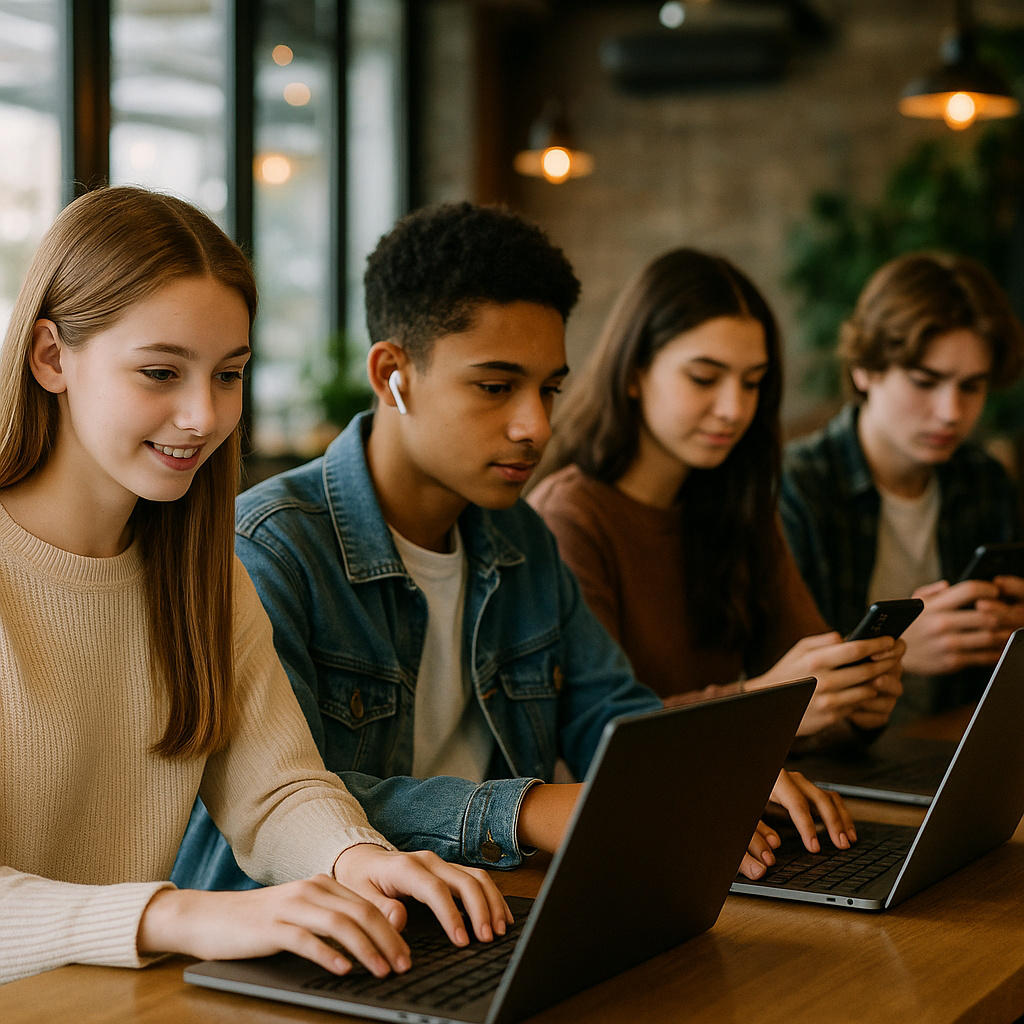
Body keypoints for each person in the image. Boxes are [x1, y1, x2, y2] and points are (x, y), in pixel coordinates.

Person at [173, 203, 859, 898]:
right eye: (496, 388)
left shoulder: (519, 536)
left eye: (549, 390)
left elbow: (611, 713)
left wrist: (714, 775)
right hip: (305, 936)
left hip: (492, 909)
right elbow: (289, 804)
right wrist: (528, 808)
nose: (535, 425)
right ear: (391, 375)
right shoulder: (268, 549)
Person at [0, 187, 510, 986]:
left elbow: (274, 788)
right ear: (51, 357)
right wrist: (177, 913)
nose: (203, 416)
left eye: (229, 374)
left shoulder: (199, 571)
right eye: (161, 372)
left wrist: (359, 859)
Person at [528, 247, 904, 741]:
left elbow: (806, 685)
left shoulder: (739, 501)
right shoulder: (568, 517)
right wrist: (763, 703)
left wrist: (855, 706)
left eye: (752, 383)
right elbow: (593, 735)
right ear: (635, 372)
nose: (734, 408)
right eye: (704, 378)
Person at [780, 251, 1024, 720]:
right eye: (925, 381)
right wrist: (900, 651)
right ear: (865, 370)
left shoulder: (984, 481)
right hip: (833, 761)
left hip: (955, 745)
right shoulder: (798, 488)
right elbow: (784, 680)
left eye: (971, 386)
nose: (951, 412)